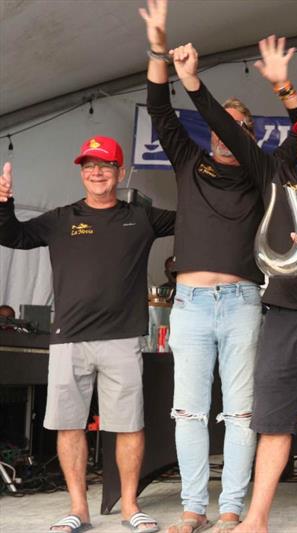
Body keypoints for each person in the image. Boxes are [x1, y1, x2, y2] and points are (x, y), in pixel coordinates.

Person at [170, 38, 297, 533]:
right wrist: (193, 83)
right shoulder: (273, 174)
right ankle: (254, 517)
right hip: (278, 315)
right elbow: (225, 129)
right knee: (271, 421)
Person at [141, 2, 297, 531]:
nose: (223, 134)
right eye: (219, 128)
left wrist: (201, 82)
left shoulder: (262, 170)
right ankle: (193, 509)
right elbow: (160, 111)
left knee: (239, 413)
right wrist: (158, 49)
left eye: (236, 128)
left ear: (247, 134)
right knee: (187, 412)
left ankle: (232, 508)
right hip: (188, 303)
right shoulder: (190, 162)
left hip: (240, 303)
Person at [0, 138, 174, 533]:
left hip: (123, 338)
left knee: (129, 425)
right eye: (89, 166)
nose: (97, 173)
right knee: (69, 425)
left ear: (120, 170)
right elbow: (14, 237)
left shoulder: (142, 218)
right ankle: (79, 508)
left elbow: (197, 218)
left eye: (105, 165)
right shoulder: (61, 218)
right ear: (81, 172)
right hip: (69, 339)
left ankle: (130, 506)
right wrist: (3, 203)